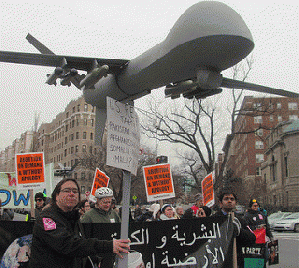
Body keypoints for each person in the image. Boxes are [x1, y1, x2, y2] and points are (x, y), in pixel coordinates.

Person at [28, 178, 130, 268]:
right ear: (57, 196)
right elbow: (68, 245)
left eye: (75, 191)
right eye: (67, 190)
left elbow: (81, 246)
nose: (72, 193)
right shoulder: (47, 218)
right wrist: (108, 246)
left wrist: (95, 260)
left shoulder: (74, 218)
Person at [212, 189, 256, 267]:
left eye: (232, 199)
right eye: (226, 199)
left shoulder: (240, 220)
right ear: (220, 203)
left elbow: (252, 238)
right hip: (219, 261)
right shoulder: (214, 219)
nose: (229, 201)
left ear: (235, 203)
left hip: (236, 261)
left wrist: (239, 231)